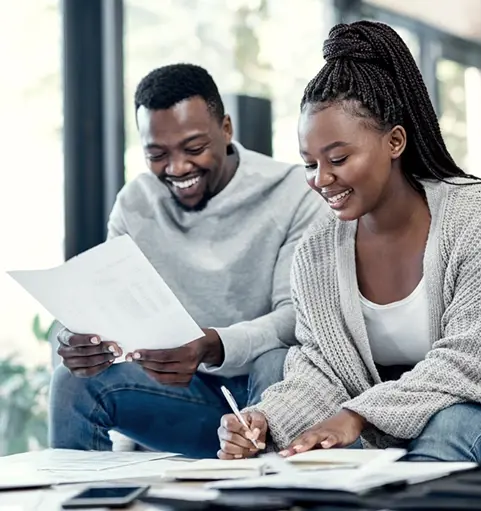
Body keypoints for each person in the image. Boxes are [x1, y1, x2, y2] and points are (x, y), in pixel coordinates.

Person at [217, 21, 481, 468]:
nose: (320, 179)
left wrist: (357, 415)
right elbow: (321, 367)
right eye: (309, 163)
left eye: (338, 159)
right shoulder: (317, 251)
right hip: (388, 412)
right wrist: (264, 417)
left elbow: (475, 364)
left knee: (452, 426)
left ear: (395, 141)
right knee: (297, 448)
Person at [49, 63, 326, 458]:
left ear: (226, 129)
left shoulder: (293, 193)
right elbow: (103, 303)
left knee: (278, 359)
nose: (177, 168)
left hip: (270, 398)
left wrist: (214, 344)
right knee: (72, 381)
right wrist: (78, 339)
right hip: (185, 397)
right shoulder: (136, 201)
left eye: (194, 149)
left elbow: (295, 318)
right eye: (157, 154)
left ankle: (270, 496)